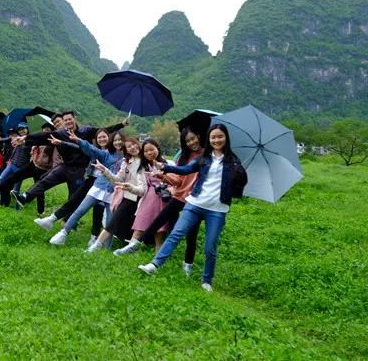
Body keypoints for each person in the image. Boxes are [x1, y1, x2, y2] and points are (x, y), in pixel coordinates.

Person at [137, 124, 248, 293]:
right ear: (208, 139)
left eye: (220, 136)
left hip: (217, 210)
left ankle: (206, 281)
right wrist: (164, 167)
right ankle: (154, 265)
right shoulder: (203, 157)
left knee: (210, 247)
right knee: (175, 234)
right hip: (195, 203)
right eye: (213, 137)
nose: (216, 140)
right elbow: (185, 170)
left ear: (226, 138)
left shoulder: (233, 161)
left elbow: (240, 185)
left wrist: (240, 174)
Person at [114, 128, 204, 267]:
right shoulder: (183, 157)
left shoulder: (206, 156)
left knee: (189, 233)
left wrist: (165, 169)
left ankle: (188, 264)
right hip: (179, 196)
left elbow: (184, 172)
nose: (191, 142)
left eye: (193, 139)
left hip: (194, 199)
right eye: (187, 140)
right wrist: (162, 176)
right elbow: (178, 180)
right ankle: (141, 249)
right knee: (159, 223)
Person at [10, 110, 128, 210]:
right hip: (65, 166)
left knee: (73, 197)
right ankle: (25, 197)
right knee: (45, 180)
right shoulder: (61, 133)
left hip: (80, 170)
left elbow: (105, 130)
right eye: (65, 120)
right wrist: (26, 138)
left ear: (74, 119)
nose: (68, 122)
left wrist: (121, 124)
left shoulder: (86, 130)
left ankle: (70, 222)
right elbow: (44, 137)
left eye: (69, 119)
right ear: (64, 122)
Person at [46, 129, 124, 247]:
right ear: (112, 142)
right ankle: (63, 233)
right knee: (80, 210)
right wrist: (78, 140)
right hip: (99, 187)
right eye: (116, 140)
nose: (118, 142)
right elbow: (92, 149)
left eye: (120, 140)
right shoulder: (106, 154)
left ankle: (106, 248)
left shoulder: (128, 158)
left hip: (113, 192)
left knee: (110, 221)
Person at [84, 136, 149, 252]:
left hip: (146, 199)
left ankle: (131, 249)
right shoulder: (127, 163)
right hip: (130, 197)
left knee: (137, 226)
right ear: (126, 151)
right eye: (129, 147)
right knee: (115, 221)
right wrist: (105, 171)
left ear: (138, 144)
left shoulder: (147, 159)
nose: (133, 147)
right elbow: (117, 179)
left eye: (134, 144)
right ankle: (96, 245)